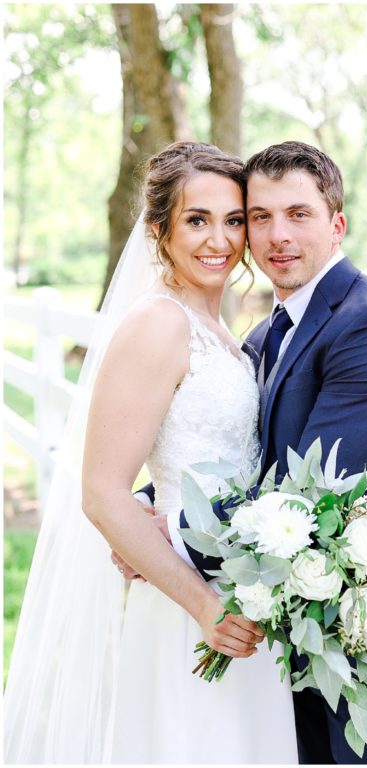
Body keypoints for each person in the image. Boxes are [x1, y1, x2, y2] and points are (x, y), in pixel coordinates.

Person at [3, 142, 297, 763]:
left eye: (233, 220)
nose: (219, 239)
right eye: (197, 220)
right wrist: (205, 607)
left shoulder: (221, 329)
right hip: (189, 606)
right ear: (159, 231)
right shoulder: (158, 324)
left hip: (244, 595)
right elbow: (102, 493)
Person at [173, 141, 367, 764]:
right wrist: (151, 501)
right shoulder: (266, 331)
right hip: (294, 620)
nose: (278, 235)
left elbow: (306, 492)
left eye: (298, 214)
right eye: (260, 217)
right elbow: (239, 453)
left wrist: (170, 536)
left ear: (337, 225)